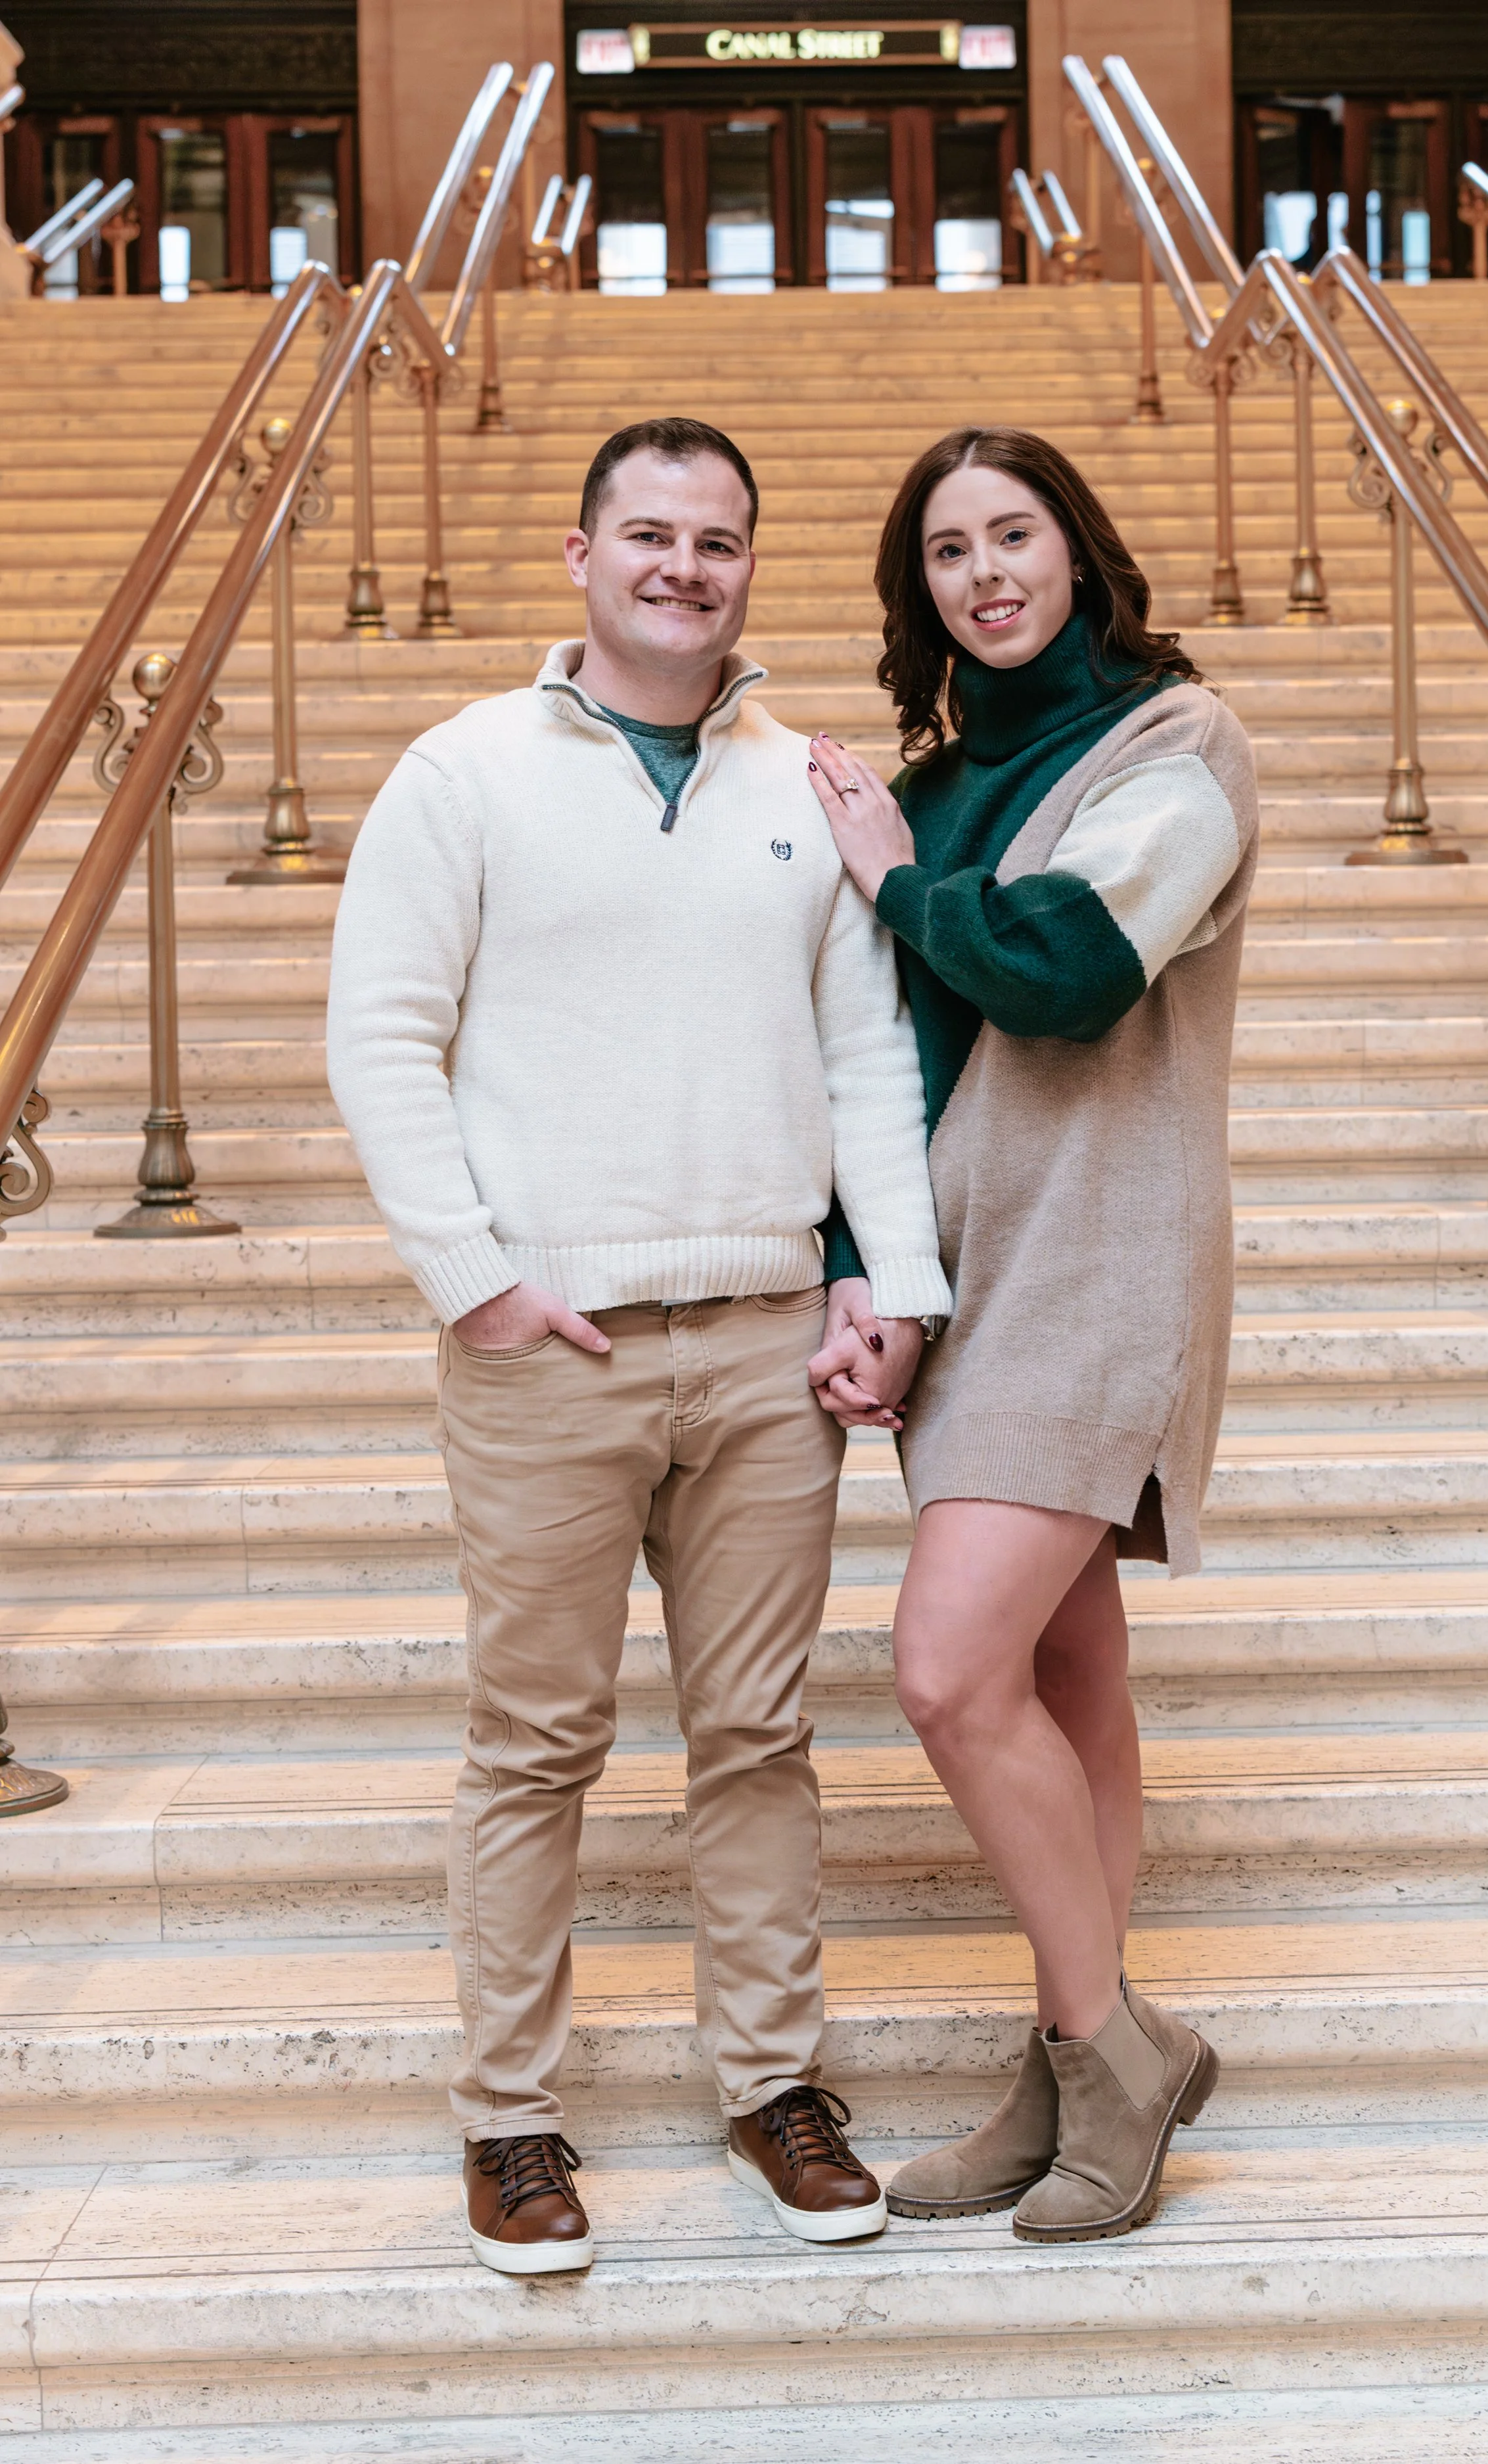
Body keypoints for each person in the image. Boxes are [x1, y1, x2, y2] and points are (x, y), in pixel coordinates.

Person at [327, 417, 950, 2275]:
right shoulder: (463, 773)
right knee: (534, 1741)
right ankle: (509, 2119)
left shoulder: (802, 782)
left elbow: (864, 1055)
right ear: (585, 556)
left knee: (757, 1735)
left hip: (768, 1344)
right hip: (555, 1348)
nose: (687, 567)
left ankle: (774, 2085)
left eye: (721, 540)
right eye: (653, 535)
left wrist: (895, 1285)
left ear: (752, 563)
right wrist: (476, 1278)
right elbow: (380, 1037)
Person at [805, 425, 1259, 2243]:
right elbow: (888, 1063)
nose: (984, 572)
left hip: (1099, 1264)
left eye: (1015, 534)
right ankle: (1075, 2056)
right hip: (967, 1275)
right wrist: (867, 1273)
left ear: (1077, 551)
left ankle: (1108, 2048)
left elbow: (1065, 968)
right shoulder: (926, 784)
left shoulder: (1176, 742)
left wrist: (897, 880)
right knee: (1067, 1686)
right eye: (946, 551)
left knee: (943, 1670)